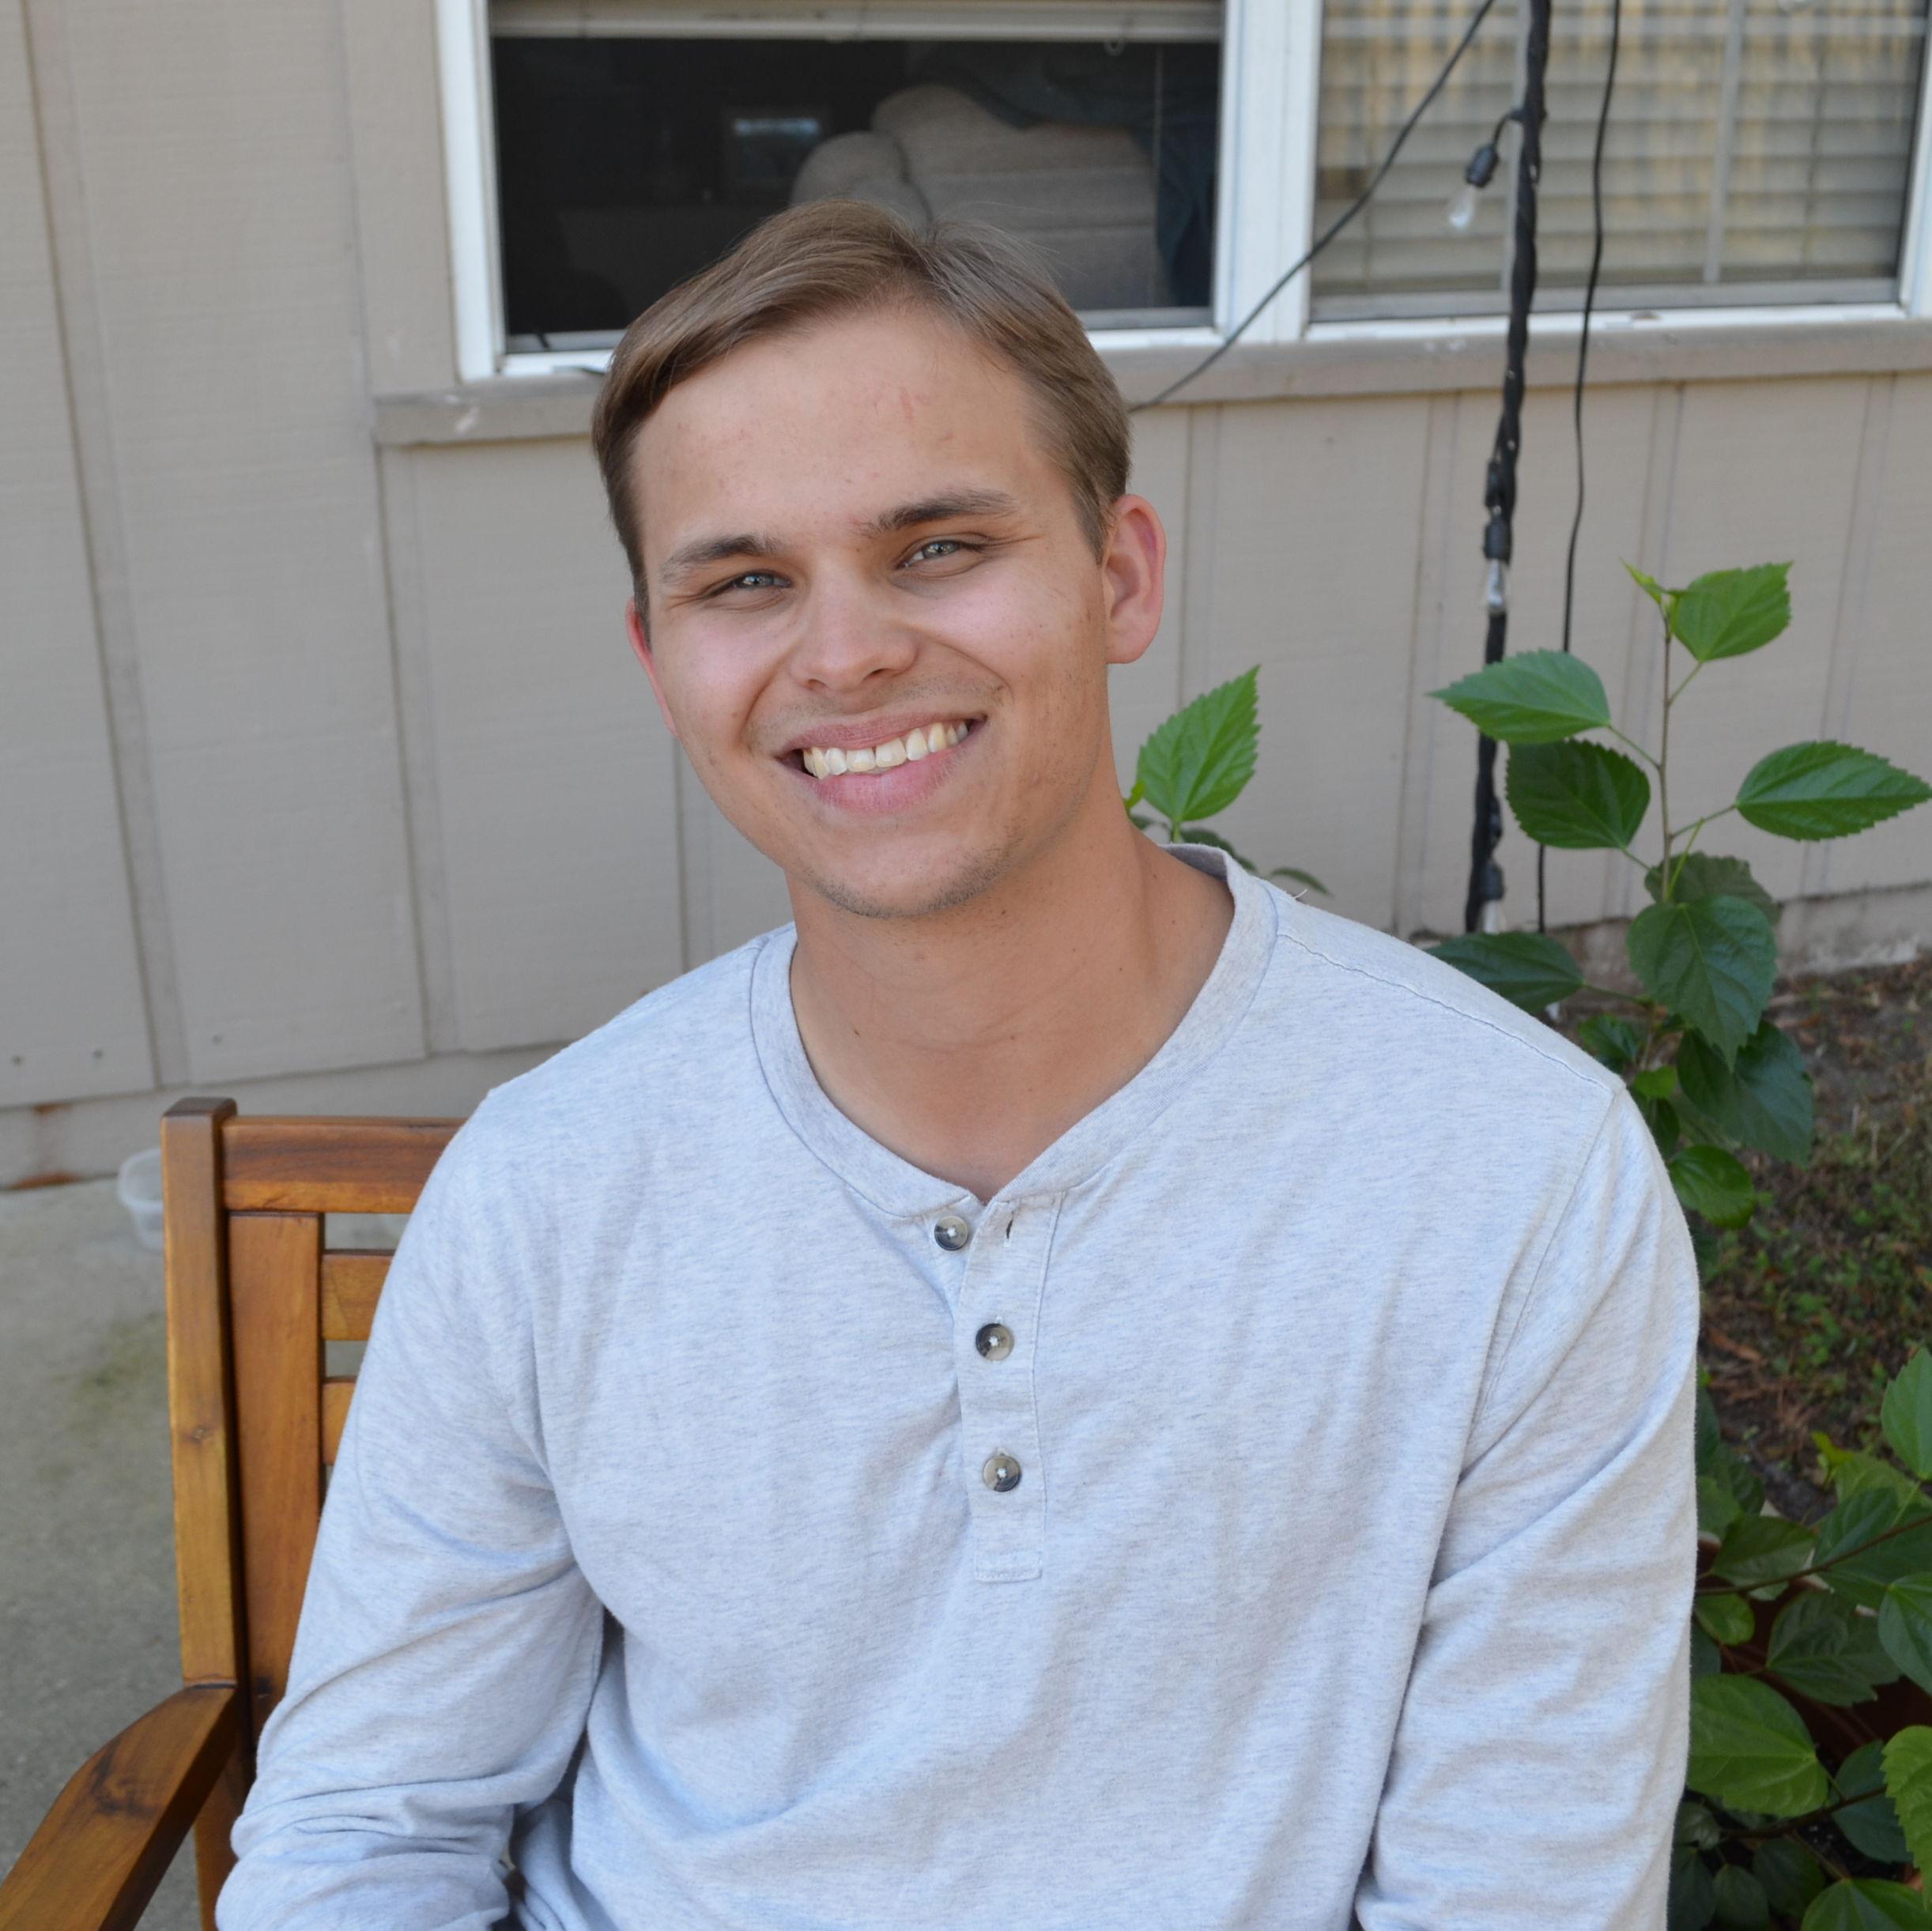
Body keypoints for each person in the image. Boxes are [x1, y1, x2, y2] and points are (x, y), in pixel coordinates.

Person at [221, 198, 1698, 1929]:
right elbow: (365, 1828)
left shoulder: (1511, 1172)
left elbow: (1519, 1893)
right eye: (744, 580)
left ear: (1118, 576)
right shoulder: (549, 1185)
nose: (844, 652)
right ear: (660, 661)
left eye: (936, 547)